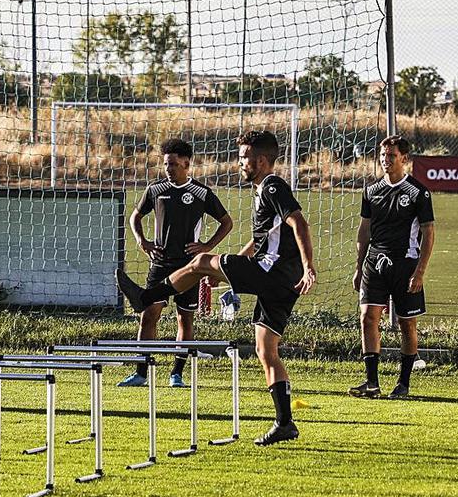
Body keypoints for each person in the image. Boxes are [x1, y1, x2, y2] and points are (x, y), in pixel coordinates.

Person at [115, 130, 315, 446]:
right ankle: (284, 423)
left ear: (261, 160)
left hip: (271, 272)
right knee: (266, 350)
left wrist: (309, 267)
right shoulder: (261, 190)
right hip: (281, 284)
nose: (240, 163)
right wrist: (229, 266)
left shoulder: (273, 185)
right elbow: (261, 240)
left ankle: (146, 297)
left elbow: (299, 223)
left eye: (244, 157)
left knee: (200, 262)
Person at [117, 138, 232, 388]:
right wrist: (142, 241)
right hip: (160, 263)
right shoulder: (155, 190)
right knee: (148, 316)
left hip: (188, 266)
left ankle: (176, 374)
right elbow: (135, 216)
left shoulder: (201, 193)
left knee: (184, 320)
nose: (168, 169)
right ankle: (141, 373)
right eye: (166, 164)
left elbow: (227, 222)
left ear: (186, 164)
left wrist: (206, 246)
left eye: (173, 164)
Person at [349, 135, 435, 399]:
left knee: (407, 325)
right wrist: (358, 266)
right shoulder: (371, 191)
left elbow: (429, 233)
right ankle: (371, 382)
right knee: (367, 318)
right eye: (383, 156)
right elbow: (364, 231)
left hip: (405, 266)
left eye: (391, 156)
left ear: (404, 159)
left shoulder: (418, 192)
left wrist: (419, 272)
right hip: (374, 264)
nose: (386, 160)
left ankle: (403, 383)